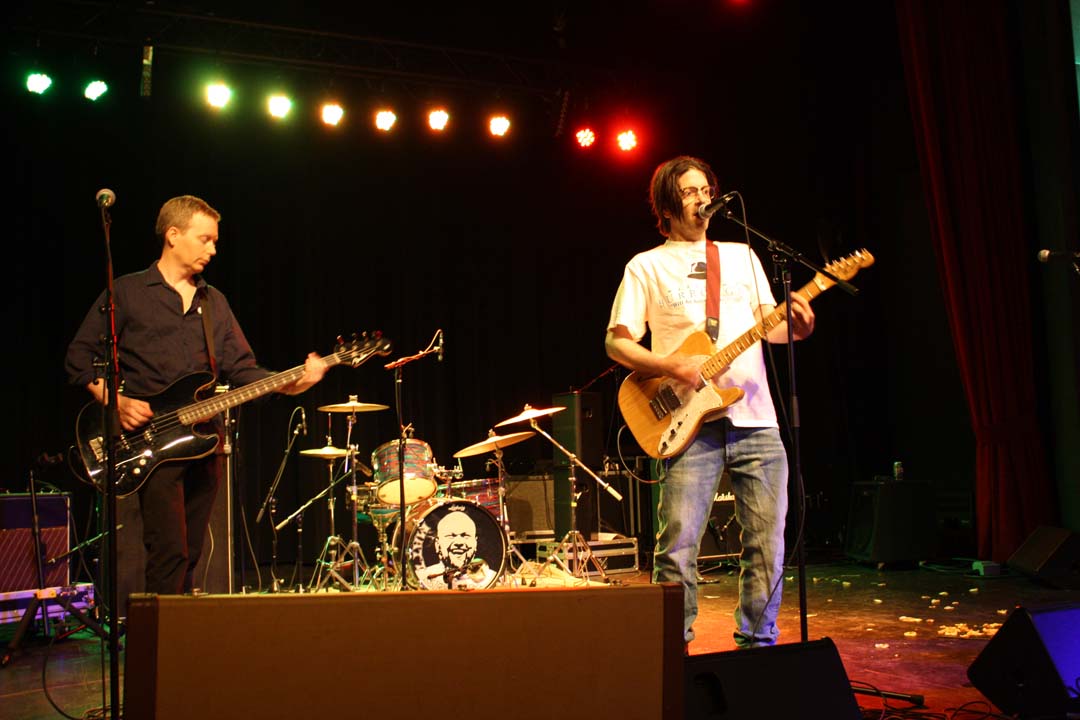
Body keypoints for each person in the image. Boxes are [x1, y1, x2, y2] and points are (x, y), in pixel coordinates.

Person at [65, 195, 327, 596]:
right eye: (205, 239)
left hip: (204, 442)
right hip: (152, 443)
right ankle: (158, 649)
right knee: (167, 552)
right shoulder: (128, 293)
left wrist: (293, 382)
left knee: (190, 553)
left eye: (215, 240)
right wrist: (114, 401)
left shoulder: (214, 302)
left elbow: (242, 370)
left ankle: (178, 642)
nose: (213, 249)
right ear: (173, 235)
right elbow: (79, 357)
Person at [604, 156, 815, 650]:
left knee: (767, 544)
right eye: (690, 191)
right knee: (677, 547)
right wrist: (672, 366)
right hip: (684, 421)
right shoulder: (646, 265)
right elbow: (617, 344)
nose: (702, 198)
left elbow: (773, 325)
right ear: (666, 204)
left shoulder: (741, 255)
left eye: (706, 189)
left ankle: (759, 645)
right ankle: (670, 652)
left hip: (756, 417)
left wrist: (800, 325)